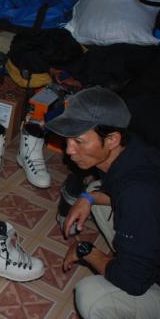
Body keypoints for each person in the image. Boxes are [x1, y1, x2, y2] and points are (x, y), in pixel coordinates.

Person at [46, 86, 160, 319]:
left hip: (145, 276)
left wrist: (86, 251)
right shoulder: (133, 151)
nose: (69, 150)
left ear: (112, 139)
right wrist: (87, 198)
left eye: (78, 141)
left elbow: (132, 281)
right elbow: (118, 194)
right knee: (94, 191)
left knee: (92, 297)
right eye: (68, 139)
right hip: (147, 222)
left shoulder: (139, 194)